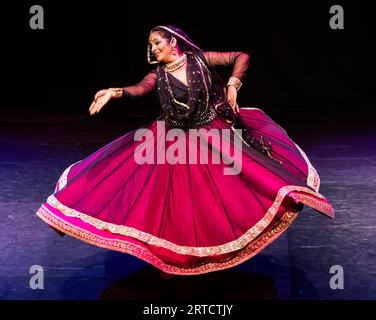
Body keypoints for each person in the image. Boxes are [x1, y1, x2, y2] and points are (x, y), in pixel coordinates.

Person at [36, 25, 334, 276]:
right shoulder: (158, 75)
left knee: (235, 185)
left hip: (211, 131)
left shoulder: (200, 60)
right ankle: (175, 256)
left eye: (157, 43)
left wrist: (232, 86)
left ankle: (235, 230)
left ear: (172, 42)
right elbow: (140, 88)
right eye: (150, 46)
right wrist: (115, 92)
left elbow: (241, 56)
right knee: (169, 202)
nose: (153, 50)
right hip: (173, 138)